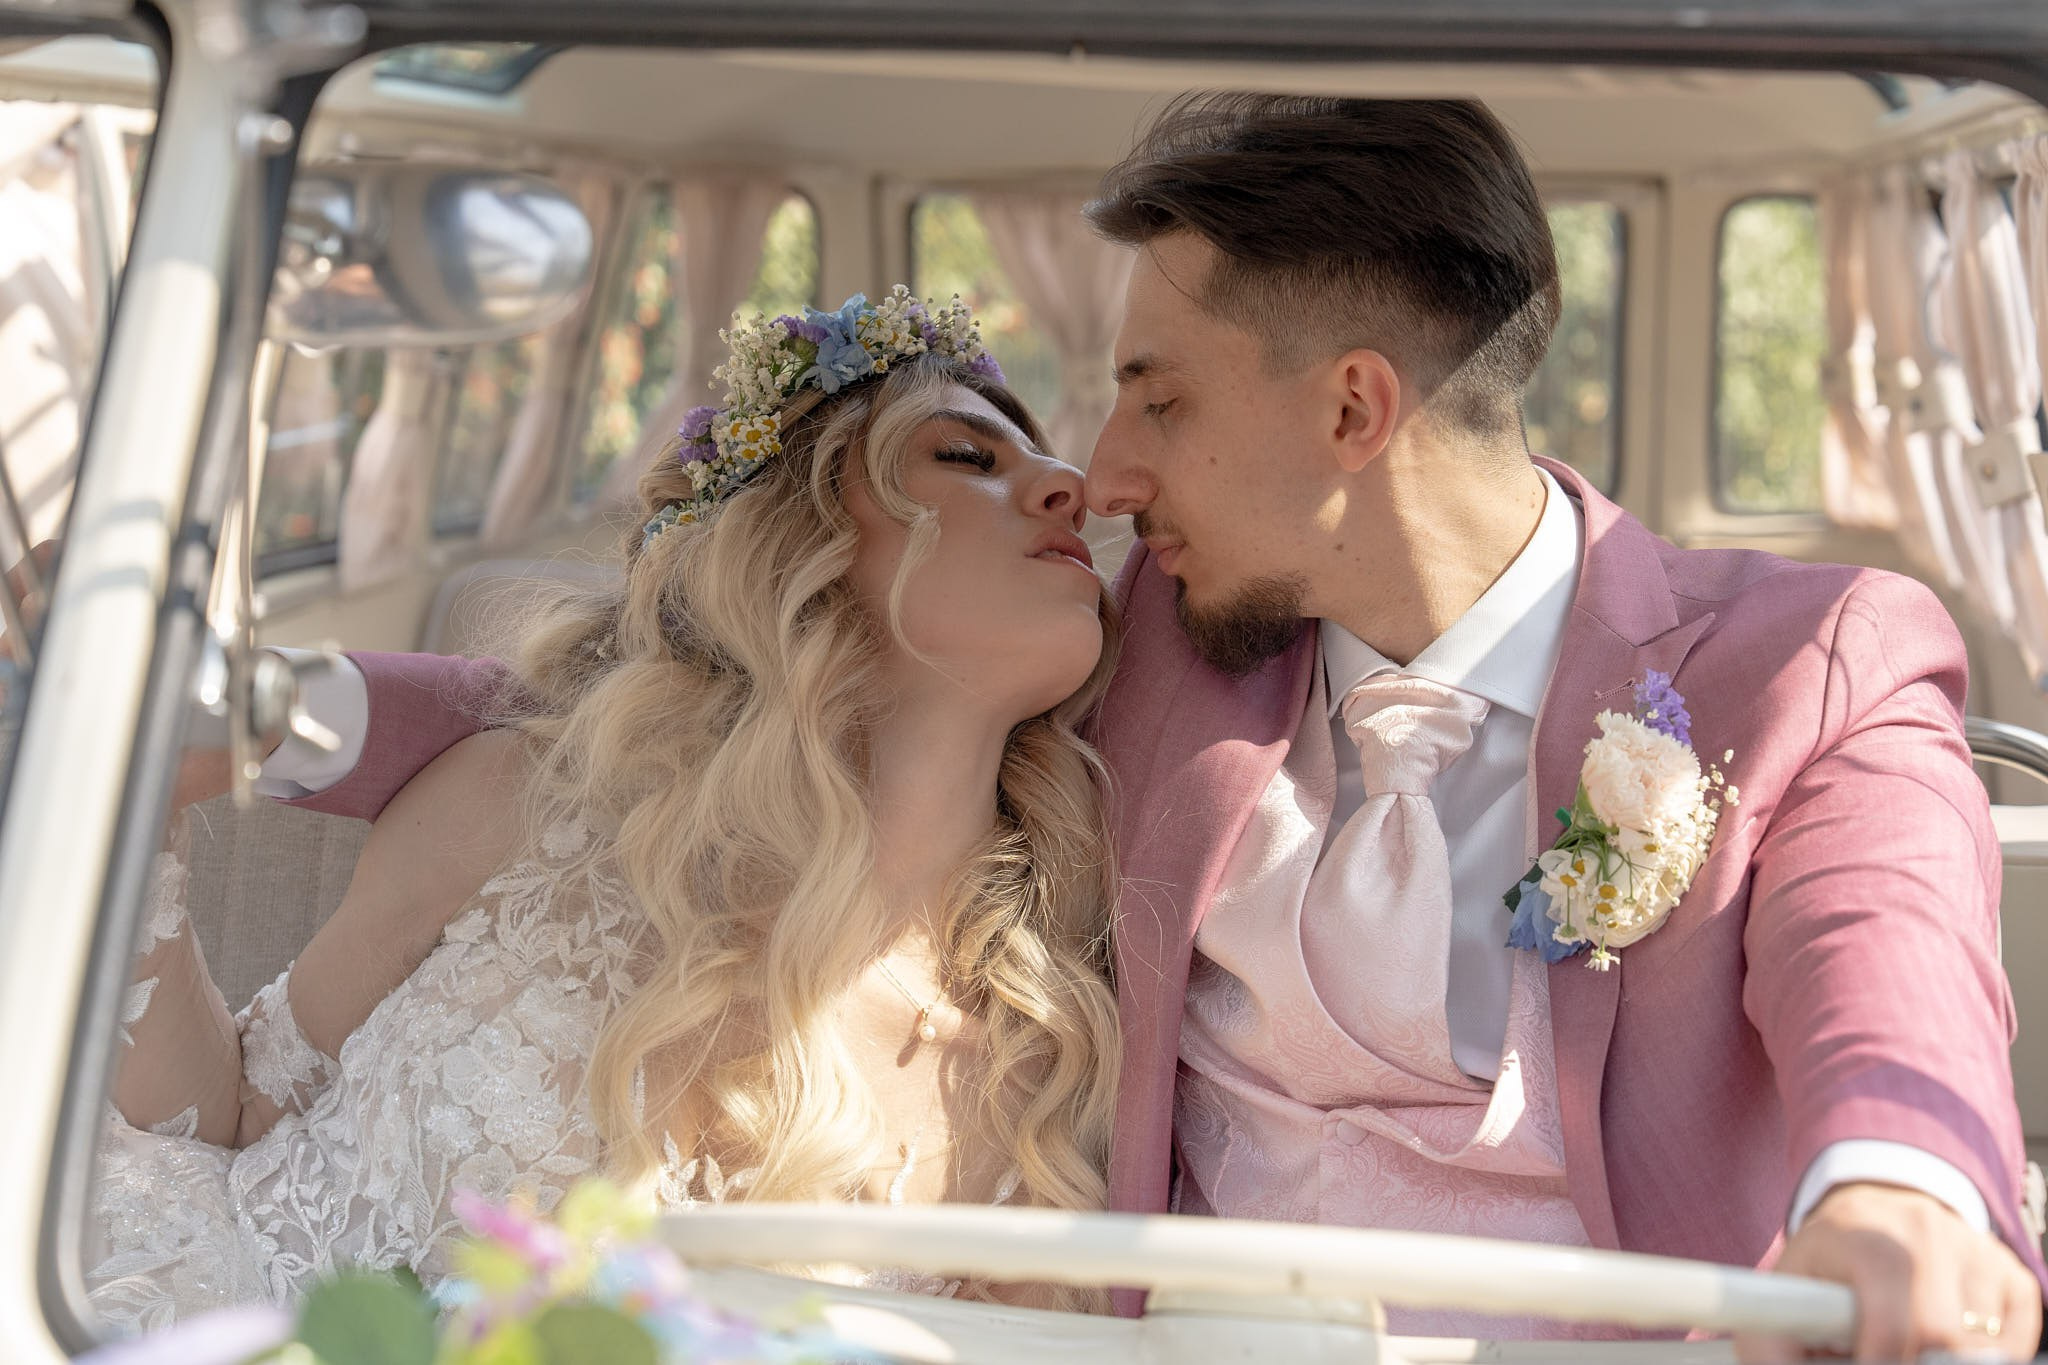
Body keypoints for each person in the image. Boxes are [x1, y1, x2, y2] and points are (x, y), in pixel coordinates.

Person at [279, 95, 2046, 1358]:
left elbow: (1885, 970)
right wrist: (292, 712)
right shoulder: (1144, 636)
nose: (1103, 475)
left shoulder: (1805, 658)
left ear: (1353, 408)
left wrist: (1897, 1192)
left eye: (1155, 394)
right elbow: (723, 673)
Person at [83, 289, 1123, 1333]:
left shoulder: (1036, 1061)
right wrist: (147, 822)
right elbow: (233, 1118)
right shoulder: (529, 807)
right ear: (803, 540)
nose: (1069, 487)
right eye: (968, 459)